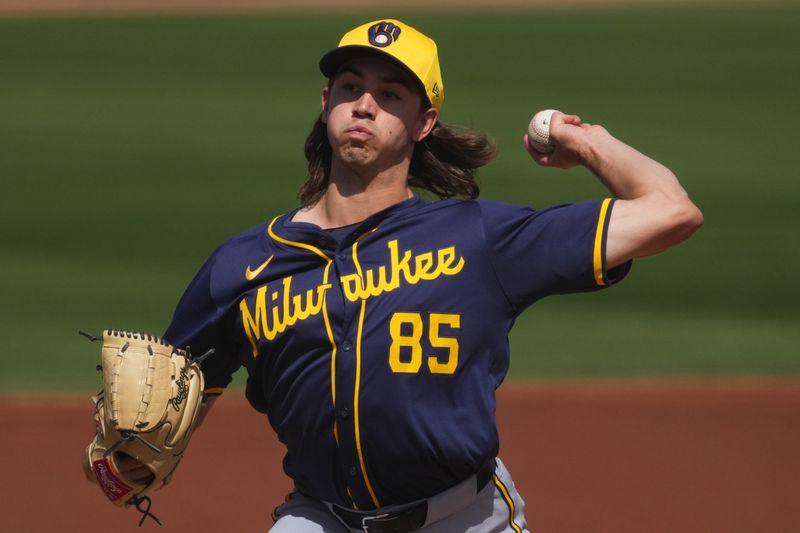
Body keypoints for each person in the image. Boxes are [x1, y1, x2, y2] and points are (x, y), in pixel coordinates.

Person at [153, 18, 702, 532]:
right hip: (321, 518)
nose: (364, 105)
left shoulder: (477, 239)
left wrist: (585, 141)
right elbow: (159, 406)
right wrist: (124, 460)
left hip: (464, 518)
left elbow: (671, 211)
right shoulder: (242, 265)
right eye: (349, 87)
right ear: (326, 104)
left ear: (424, 122)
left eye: (390, 94)